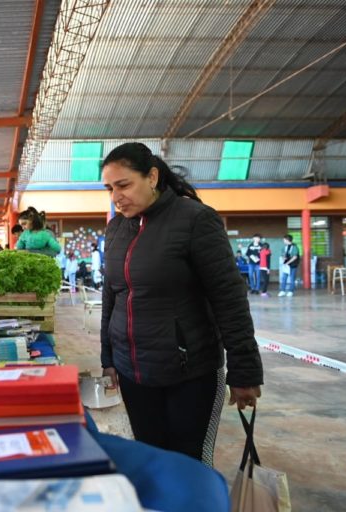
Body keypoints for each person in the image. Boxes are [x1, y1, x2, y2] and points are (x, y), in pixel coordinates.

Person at [99, 142, 263, 466]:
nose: (116, 196)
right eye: (109, 188)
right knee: (150, 456)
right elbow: (111, 295)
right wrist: (109, 356)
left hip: (189, 373)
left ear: (153, 177)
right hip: (133, 372)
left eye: (124, 185)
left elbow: (229, 298)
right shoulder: (117, 228)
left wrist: (244, 369)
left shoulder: (195, 220)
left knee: (189, 464)